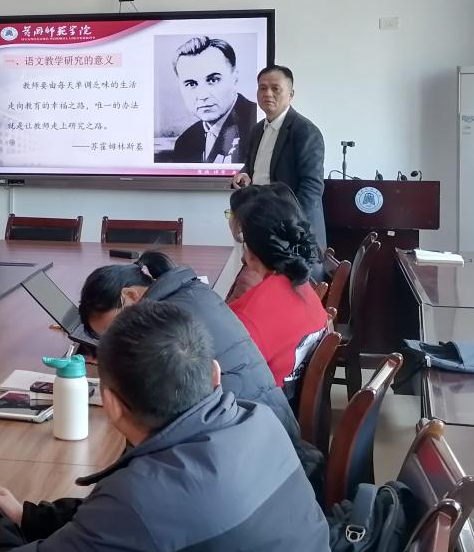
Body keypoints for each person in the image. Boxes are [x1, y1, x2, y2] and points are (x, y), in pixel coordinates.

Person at [0, 301, 330, 551]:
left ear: (110, 404)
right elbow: (123, 522)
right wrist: (27, 517)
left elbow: (135, 514)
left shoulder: (140, 497)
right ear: (215, 375)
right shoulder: (257, 419)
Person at [78, 253, 299, 438]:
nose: (118, 339)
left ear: (130, 295)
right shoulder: (189, 292)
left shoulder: (167, 321)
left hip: (250, 434)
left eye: (116, 327)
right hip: (268, 422)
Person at [230, 198, 329, 390]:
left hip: (263, 402)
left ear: (249, 252)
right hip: (288, 398)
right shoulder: (303, 286)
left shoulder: (249, 315)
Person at [232, 64, 326, 247]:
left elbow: (312, 186)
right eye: (262, 88)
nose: (268, 93)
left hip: (294, 234)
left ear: (291, 94)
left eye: (276, 88)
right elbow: (251, 167)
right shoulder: (257, 130)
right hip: (260, 224)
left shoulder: (305, 131)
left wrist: (289, 227)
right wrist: (244, 174)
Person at [170, 36, 257, 164]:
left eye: (213, 80)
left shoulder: (258, 125)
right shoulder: (184, 142)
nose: (202, 95)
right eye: (191, 84)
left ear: (235, 77)